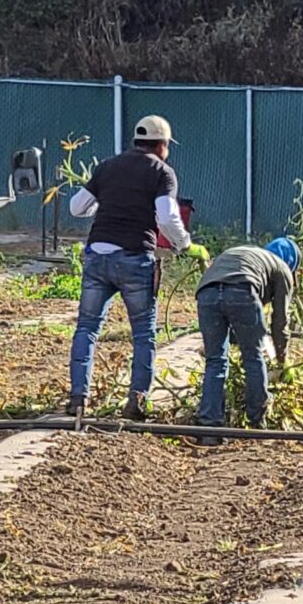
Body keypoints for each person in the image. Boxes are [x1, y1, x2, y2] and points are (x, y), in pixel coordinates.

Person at [66, 115, 195, 419]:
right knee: (143, 334)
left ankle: (78, 399)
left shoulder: (108, 166)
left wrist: (106, 205)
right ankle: (137, 401)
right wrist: (184, 244)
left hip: (98, 255)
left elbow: (76, 207)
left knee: (86, 328)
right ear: (162, 145)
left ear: (137, 142)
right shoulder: (162, 172)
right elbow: (165, 217)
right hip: (135, 257)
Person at [193, 237, 300, 437]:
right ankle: (257, 421)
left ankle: (209, 426)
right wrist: (282, 359)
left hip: (206, 293)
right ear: (292, 263)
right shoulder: (283, 269)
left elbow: (223, 297)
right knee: (252, 356)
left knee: (215, 360)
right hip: (242, 290)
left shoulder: (250, 254)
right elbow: (280, 322)